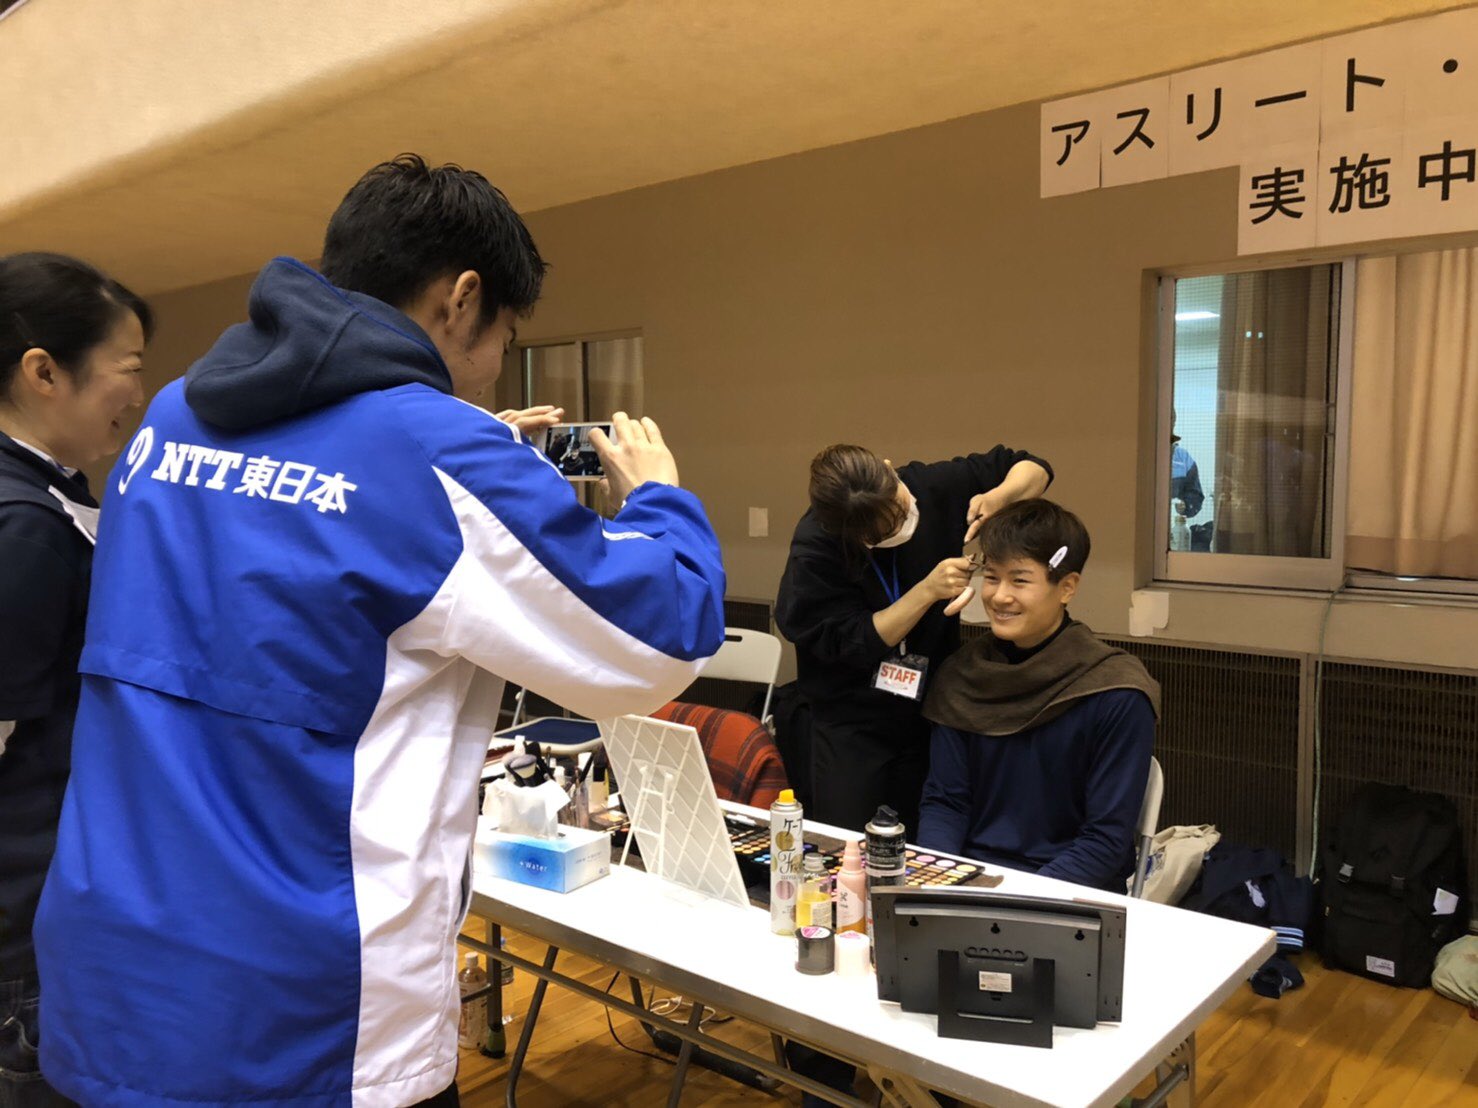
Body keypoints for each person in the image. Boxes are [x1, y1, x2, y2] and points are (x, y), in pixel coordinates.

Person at [34, 156, 727, 1108]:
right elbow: (659, 644)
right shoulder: (440, 451)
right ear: (462, 299)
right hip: (302, 1019)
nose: (492, 369)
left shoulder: (174, 414)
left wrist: (484, 467)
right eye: (503, 338)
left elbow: (303, 554)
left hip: (113, 974)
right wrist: (660, 499)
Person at [0, 253, 152, 1108]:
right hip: (27, 923)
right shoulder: (21, 524)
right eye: (128, 368)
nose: (139, 393)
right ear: (44, 371)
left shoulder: (54, 490)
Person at [775, 444, 1051, 834]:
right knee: (850, 840)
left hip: (931, 705)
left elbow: (1034, 467)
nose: (900, 526)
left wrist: (999, 497)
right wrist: (927, 591)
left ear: (890, 470)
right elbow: (856, 641)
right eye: (882, 531)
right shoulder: (817, 547)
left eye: (900, 510)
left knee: (927, 828)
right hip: (851, 718)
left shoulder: (932, 486)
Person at [918, 499, 1159, 892]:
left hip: (1069, 892)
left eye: (1019, 581)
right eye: (991, 577)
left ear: (1067, 587)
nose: (999, 596)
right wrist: (940, 883)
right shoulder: (962, 676)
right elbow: (946, 803)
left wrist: (1018, 901)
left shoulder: (1116, 690)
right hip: (970, 880)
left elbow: (1105, 842)